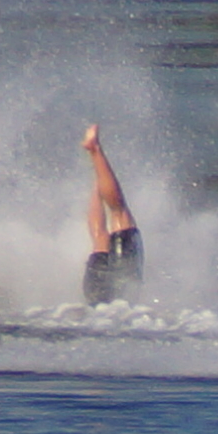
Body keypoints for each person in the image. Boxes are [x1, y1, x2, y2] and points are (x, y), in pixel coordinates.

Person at [81, 124, 143, 306]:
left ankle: (95, 152)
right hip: (93, 291)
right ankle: (95, 156)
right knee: (100, 235)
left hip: (120, 284)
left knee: (119, 213)